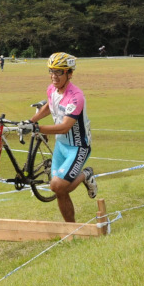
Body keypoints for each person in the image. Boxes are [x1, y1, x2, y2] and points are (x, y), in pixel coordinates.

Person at [24, 52, 96, 222]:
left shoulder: (76, 97)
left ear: (69, 74)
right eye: (51, 71)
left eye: (59, 72)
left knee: (58, 185)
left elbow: (64, 128)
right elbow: (50, 106)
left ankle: (86, 174)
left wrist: (36, 127)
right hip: (61, 147)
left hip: (78, 147)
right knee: (57, 189)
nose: (53, 76)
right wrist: (30, 120)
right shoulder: (52, 89)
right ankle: (71, 230)